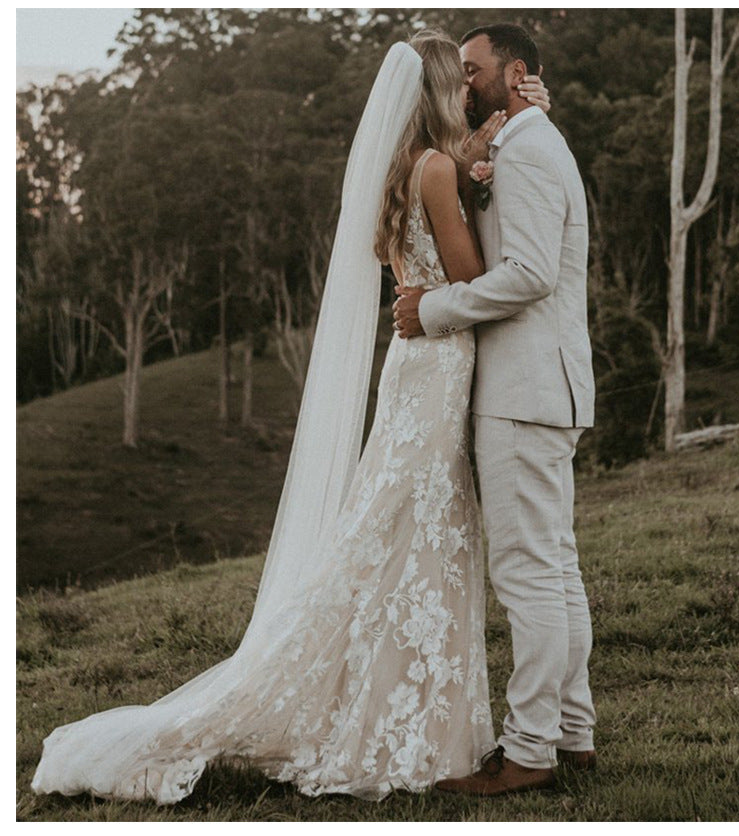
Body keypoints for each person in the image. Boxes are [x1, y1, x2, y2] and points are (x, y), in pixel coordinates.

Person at [30, 32, 551, 805]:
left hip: (415, 370)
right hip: (437, 367)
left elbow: (434, 233)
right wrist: (488, 183)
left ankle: (410, 713)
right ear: (443, 89)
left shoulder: (409, 166)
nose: (471, 92)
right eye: (463, 82)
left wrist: (486, 151)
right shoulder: (439, 169)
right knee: (419, 531)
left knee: (406, 531)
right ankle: (407, 723)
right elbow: (470, 276)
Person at [393, 23, 597, 796]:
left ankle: (529, 753)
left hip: (523, 390)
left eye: (474, 70)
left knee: (528, 577)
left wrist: (435, 307)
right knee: (556, 570)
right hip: (542, 387)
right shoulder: (525, 140)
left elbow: (530, 273)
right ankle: (572, 735)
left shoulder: (535, 151)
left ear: (514, 72)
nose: (465, 81)